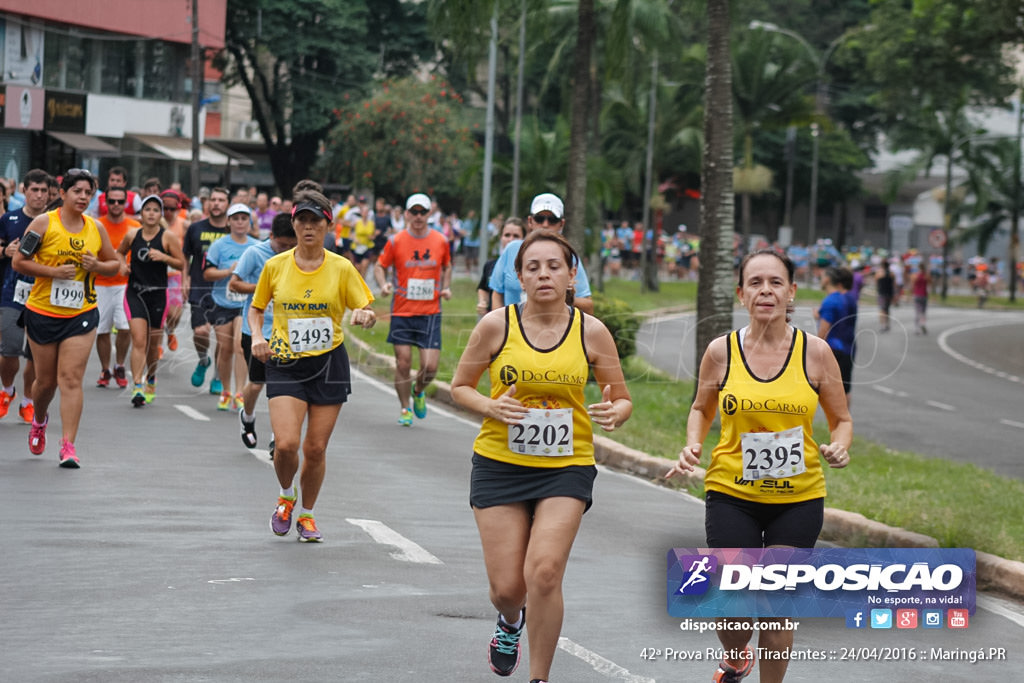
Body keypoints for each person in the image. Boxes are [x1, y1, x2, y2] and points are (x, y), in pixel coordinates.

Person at [451, 230, 632, 683]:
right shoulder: (496, 325)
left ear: (572, 276)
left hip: (565, 467)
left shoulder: (592, 332)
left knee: (545, 573)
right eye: (533, 267)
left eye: (554, 266)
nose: (544, 274)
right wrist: (491, 406)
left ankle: (540, 678)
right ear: (519, 277)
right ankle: (511, 621)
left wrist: (615, 412)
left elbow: (623, 398)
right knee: (508, 589)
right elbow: (459, 388)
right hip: (500, 465)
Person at [666, 249, 852, 683]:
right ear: (741, 294)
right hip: (733, 494)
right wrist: (693, 444)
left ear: (791, 292)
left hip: (799, 497)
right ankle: (736, 658)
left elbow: (841, 419)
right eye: (755, 283)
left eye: (774, 282)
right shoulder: (721, 351)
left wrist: (840, 446)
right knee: (735, 605)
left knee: (776, 606)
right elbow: (700, 408)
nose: (765, 290)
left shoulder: (816, 353)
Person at [249, 189, 376, 542]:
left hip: (328, 364)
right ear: (293, 223)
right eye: (301, 220)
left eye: (315, 221)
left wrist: (365, 317)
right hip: (285, 363)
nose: (308, 227)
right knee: (287, 444)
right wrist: (257, 336)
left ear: (327, 226)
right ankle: (287, 494)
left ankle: (307, 514)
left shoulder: (341, 267)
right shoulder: (276, 266)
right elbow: (257, 308)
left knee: (315, 449)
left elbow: (365, 308)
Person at [12, 169, 121, 467]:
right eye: (78, 191)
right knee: (45, 383)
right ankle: (40, 419)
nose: (83, 197)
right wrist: (52, 272)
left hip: (82, 313)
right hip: (43, 312)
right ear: (63, 193)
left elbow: (115, 265)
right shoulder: (44, 223)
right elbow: (19, 261)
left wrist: (97, 264)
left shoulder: (95, 228)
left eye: (88, 193)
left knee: (71, 379)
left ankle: (68, 445)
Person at [373, 193, 452, 427]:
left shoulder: (440, 241)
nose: (418, 217)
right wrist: (384, 284)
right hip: (402, 311)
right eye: (414, 212)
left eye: (423, 212)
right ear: (406, 214)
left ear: (429, 214)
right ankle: (405, 407)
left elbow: (447, 266)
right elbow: (380, 266)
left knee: (430, 366)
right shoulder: (396, 241)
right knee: (404, 363)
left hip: (430, 313)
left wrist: (445, 287)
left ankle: (419, 391)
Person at [229, 212, 297, 452]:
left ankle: (277, 436)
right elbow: (234, 283)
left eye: (291, 245)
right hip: (257, 329)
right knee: (257, 384)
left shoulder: (298, 257)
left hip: (289, 331)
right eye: (281, 245)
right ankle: (247, 417)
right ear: (271, 237)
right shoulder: (255, 253)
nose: (285, 250)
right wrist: (262, 289)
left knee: (282, 387)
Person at [116, 195, 185, 407]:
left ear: (160, 214)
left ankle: (151, 378)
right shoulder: (132, 235)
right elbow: (119, 253)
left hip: (157, 295)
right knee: (138, 340)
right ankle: (137, 385)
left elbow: (181, 263)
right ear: (142, 214)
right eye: (148, 209)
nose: (152, 213)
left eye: (156, 210)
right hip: (135, 292)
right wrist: (121, 266)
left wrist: (164, 258)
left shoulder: (167, 238)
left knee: (152, 345)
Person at [488, 193, 594, 315]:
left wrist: (562, 296)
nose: (545, 224)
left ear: (562, 224)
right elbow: (497, 292)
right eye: (539, 219)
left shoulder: (569, 255)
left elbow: (588, 306)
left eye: (552, 220)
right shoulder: (512, 249)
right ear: (530, 221)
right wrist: (502, 326)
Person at [0, 169, 50, 424]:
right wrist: (4, 250)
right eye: (34, 190)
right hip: (12, 293)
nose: (39, 196)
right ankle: (7, 390)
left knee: (34, 356)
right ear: (24, 191)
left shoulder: (55, 222)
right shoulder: (9, 219)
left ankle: (28, 401)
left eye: (43, 191)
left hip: (44, 296)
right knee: (9, 348)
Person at [204, 203, 259, 411]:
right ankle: (226, 390)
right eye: (235, 219)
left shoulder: (256, 246)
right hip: (222, 302)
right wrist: (228, 272)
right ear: (228, 222)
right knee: (225, 349)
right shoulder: (219, 246)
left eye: (244, 218)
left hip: (246, 303)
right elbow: (207, 273)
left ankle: (240, 392)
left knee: (240, 346)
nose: (240, 222)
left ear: (249, 222)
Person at [183, 187, 230, 394]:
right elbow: (186, 256)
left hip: (226, 292)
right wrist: (185, 279)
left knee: (223, 339)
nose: (217, 203)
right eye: (213, 199)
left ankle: (218, 377)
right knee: (200, 332)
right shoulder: (195, 228)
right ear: (207, 203)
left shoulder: (233, 230)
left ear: (227, 205)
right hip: (200, 288)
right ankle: (203, 360)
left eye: (221, 200)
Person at [93, 186, 138, 388]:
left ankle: (119, 364)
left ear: (126, 203)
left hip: (124, 284)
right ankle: (105, 369)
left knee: (125, 327)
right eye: (112, 201)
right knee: (101, 330)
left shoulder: (134, 226)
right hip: (99, 283)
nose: (116, 205)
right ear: (105, 203)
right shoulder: (96, 225)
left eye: (120, 201)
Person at [814, 266, 857, 398]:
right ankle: (843, 418)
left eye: (821, 277)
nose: (820, 280)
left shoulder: (830, 300)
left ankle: (839, 419)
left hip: (834, 348)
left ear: (827, 279)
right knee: (844, 389)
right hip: (848, 346)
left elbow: (824, 330)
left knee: (833, 392)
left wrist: (815, 350)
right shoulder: (844, 298)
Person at [477, 217, 524, 319]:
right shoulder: (490, 265)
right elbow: (483, 288)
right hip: (496, 319)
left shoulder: (527, 266)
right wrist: (483, 302)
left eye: (516, 236)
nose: (510, 239)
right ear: (500, 237)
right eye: (507, 235)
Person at [160, 189, 189, 352]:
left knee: (175, 314)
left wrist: (186, 280)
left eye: (172, 209)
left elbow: (186, 256)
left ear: (178, 208)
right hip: (157, 274)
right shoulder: (154, 223)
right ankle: (157, 345)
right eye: (165, 208)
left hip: (175, 274)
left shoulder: (183, 225)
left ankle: (170, 331)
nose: (168, 212)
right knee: (159, 311)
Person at [875, 260, 894, 332]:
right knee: (887, 309)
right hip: (889, 293)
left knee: (882, 310)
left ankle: (883, 325)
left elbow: (876, 282)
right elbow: (893, 284)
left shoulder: (879, 273)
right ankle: (887, 324)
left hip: (881, 293)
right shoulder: (891, 274)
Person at [911, 263, 930, 335]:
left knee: (917, 312)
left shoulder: (915, 275)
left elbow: (912, 285)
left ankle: (917, 328)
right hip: (924, 295)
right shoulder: (926, 275)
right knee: (923, 312)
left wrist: (911, 294)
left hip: (917, 295)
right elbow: (930, 283)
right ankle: (923, 324)